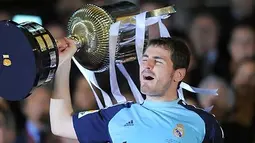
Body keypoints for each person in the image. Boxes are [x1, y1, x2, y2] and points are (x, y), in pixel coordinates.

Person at [50, 37, 224, 143]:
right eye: (145, 59)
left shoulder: (204, 123)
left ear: (178, 75)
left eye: (158, 61)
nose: (147, 66)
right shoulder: (118, 116)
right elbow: (59, 125)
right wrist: (63, 64)